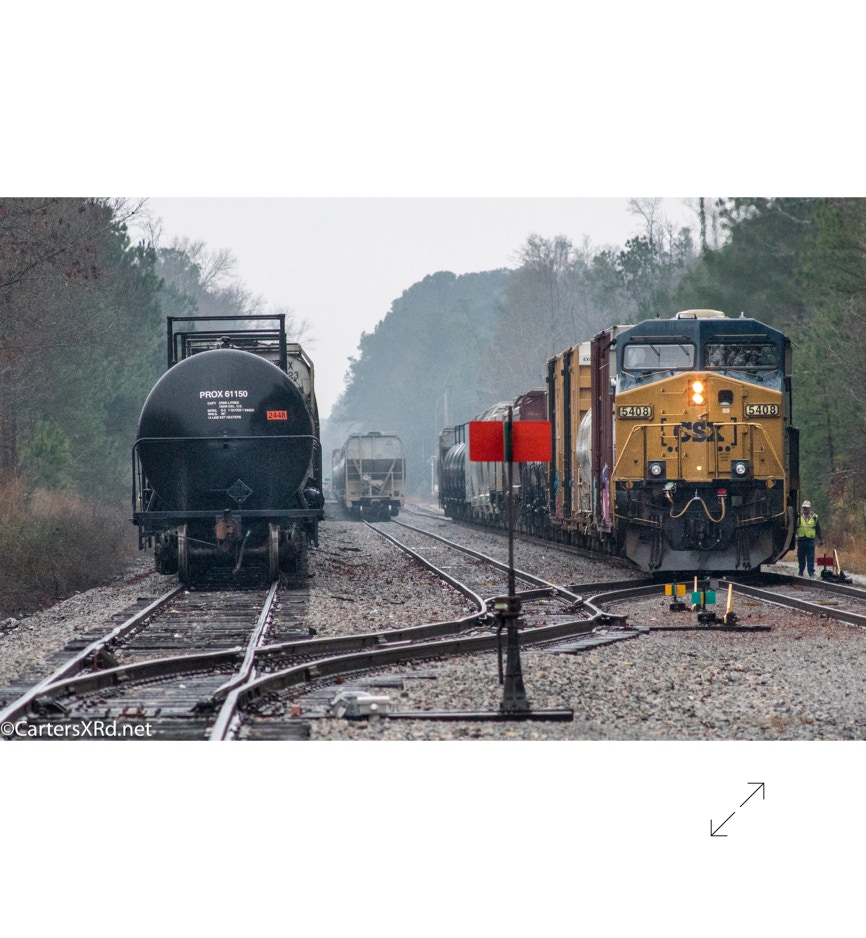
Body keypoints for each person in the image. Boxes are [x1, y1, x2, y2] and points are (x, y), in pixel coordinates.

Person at [797, 500, 823, 577]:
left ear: (809, 508)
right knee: (801, 556)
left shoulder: (814, 517)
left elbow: (818, 528)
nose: (805, 509)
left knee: (810, 556)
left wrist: (821, 539)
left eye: (806, 508)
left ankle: (811, 572)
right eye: (804, 507)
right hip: (801, 539)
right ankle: (801, 571)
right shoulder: (798, 516)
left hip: (810, 539)